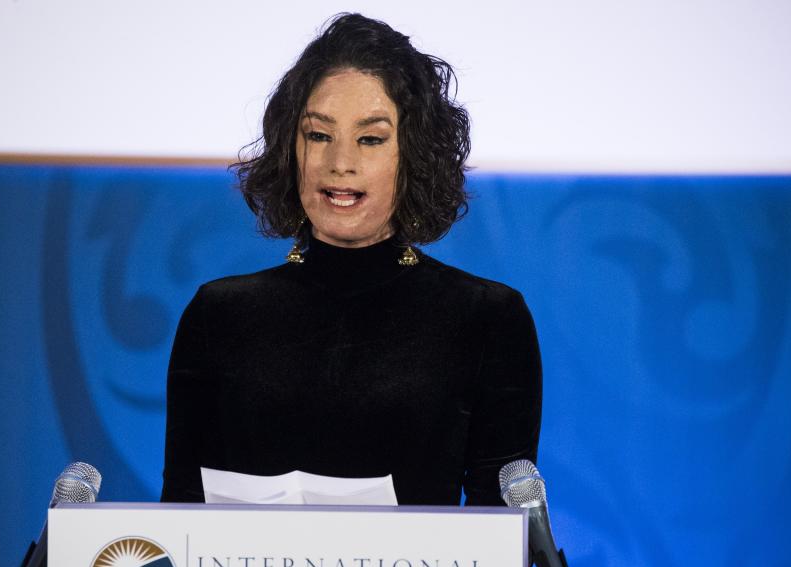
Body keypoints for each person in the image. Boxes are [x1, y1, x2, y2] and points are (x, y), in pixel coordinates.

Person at [161, 13, 541, 506]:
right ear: (289, 149)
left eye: (371, 138)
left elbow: (503, 539)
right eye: (318, 135)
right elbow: (179, 514)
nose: (340, 162)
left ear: (415, 155)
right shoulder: (219, 314)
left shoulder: (487, 319)